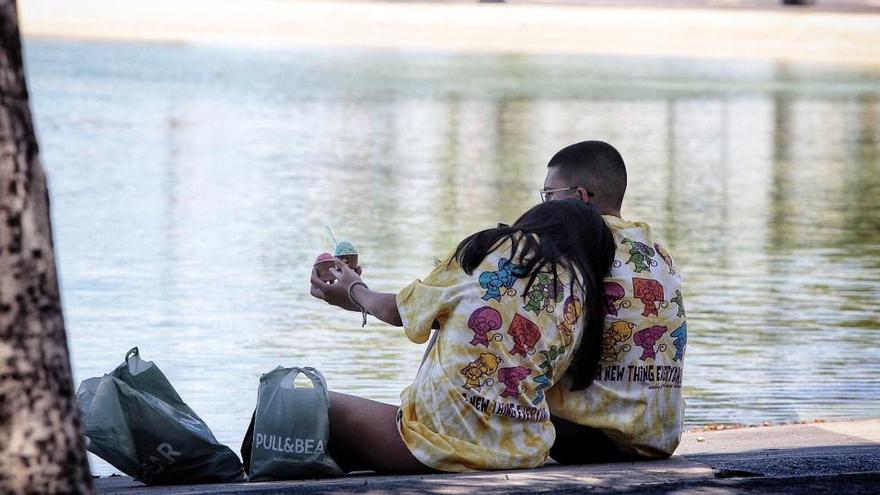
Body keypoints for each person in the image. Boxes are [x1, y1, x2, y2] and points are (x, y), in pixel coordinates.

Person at [309, 199, 615, 473]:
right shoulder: (580, 296)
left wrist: (353, 288)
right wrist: (357, 297)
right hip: (522, 450)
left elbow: (400, 311)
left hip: (438, 444)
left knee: (300, 408)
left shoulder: (495, 249)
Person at [540, 140, 687, 462]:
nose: (544, 205)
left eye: (549, 195)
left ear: (579, 198)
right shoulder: (652, 248)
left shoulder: (570, 249)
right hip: (658, 435)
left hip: (589, 436)